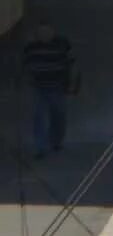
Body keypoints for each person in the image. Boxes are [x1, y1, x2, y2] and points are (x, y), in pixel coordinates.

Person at [23, 18, 75, 158]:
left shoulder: (62, 44)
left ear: (52, 32)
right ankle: (41, 147)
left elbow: (70, 64)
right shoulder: (31, 47)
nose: (44, 35)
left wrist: (71, 83)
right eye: (41, 32)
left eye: (47, 32)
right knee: (39, 117)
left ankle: (55, 141)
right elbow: (25, 65)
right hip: (39, 88)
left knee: (59, 116)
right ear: (37, 34)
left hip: (58, 87)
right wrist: (26, 79)